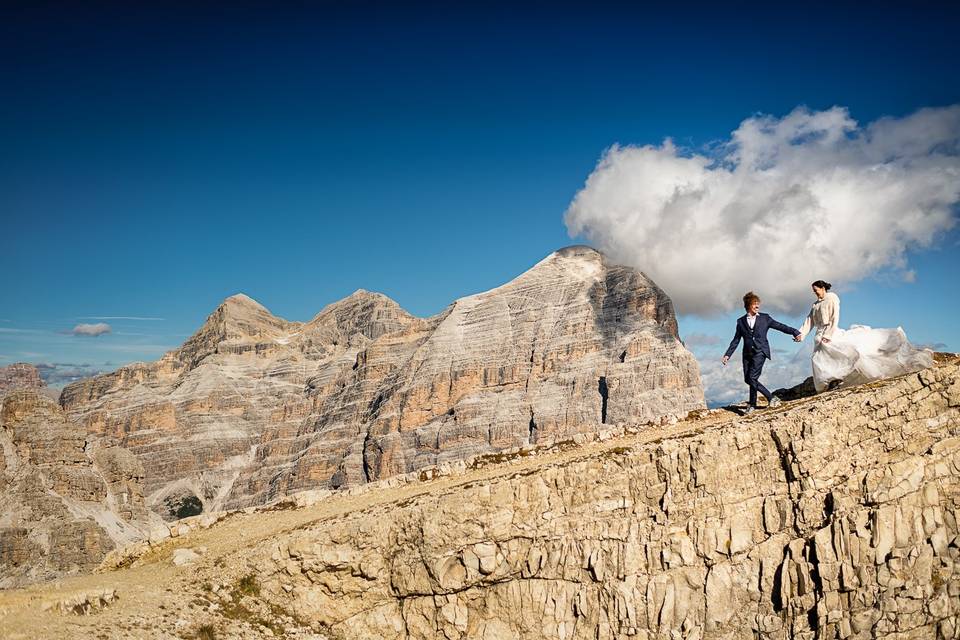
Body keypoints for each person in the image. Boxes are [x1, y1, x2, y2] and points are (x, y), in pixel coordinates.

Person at [795, 280, 934, 392]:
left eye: (816, 290)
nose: (815, 293)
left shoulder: (832, 298)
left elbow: (835, 317)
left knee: (838, 353)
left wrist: (829, 334)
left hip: (829, 332)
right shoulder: (815, 305)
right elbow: (809, 320)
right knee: (818, 359)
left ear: (822, 288)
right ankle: (829, 382)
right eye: (814, 291)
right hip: (819, 335)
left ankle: (836, 379)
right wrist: (801, 334)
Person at [722, 291, 801, 414]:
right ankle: (753, 404)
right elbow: (736, 340)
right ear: (748, 305)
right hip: (747, 354)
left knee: (752, 377)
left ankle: (770, 399)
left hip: (761, 351)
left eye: (758, 304)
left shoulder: (765, 318)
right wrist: (728, 354)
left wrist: (795, 331)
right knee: (748, 379)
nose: (757, 306)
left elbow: (780, 326)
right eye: (755, 304)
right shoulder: (740, 321)